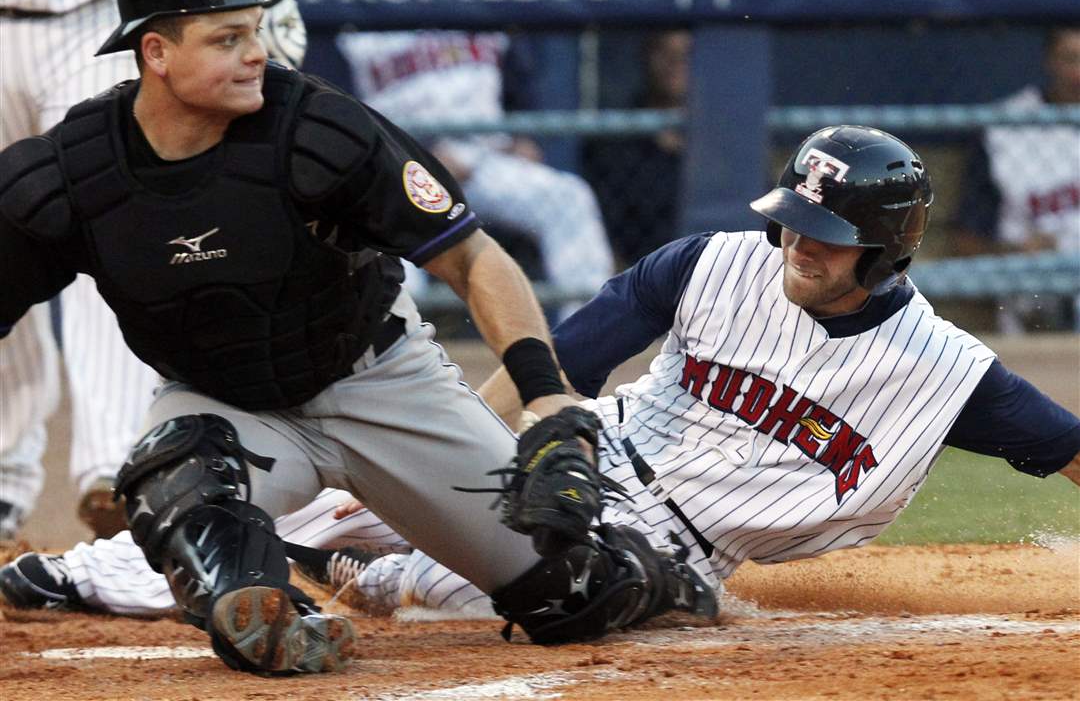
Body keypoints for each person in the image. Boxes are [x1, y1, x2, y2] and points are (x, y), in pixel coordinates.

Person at [8, 125, 1079, 622]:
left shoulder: (947, 372)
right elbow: (556, 359)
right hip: (588, 457)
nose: (798, 245)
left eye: (827, 237)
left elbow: (1069, 449)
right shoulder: (710, 264)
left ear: (889, 247)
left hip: (668, 550)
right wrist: (436, 473)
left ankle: (320, 576)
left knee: (448, 587)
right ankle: (80, 575)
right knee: (356, 498)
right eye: (794, 223)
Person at [0, 0, 714, 676]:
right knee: (176, 485)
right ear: (156, 52)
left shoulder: (315, 128)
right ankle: (258, 612)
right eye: (228, 39)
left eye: (255, 31)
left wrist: (546, 395)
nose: (257, 53)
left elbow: (472, 259)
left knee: (572, 599)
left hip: (378, 382)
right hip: (225, 402)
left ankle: (655, 576)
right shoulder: (76, 172)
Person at [0, 0, 306, 541]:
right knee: (7, 242)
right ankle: (2, 483)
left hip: (94, 19)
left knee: (105, 217)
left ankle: (114, 470)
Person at [335, 29, 616, 316]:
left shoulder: (482, 4)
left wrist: (525, 138)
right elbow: (341, 113)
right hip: (402, 171)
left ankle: (588, 334)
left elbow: (519, 92)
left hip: (486, 163)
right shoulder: (357, 19)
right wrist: (417, 157)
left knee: (568, 197)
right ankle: (404, 347)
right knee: (386, 239)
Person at [952, 26, 1080, 333]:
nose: (1079, 72)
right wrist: (1017, 253)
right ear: (1050, 61)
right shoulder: (1005, 127)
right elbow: (965, 241)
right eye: (1070, 59)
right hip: (1037, 289)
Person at [583, 30, 691, 267]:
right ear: (645, 56)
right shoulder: (614, 143)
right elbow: (601, 236)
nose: (675, 63)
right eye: (664, 52)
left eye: (686, 54)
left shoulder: (722, 142)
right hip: (639, 279)